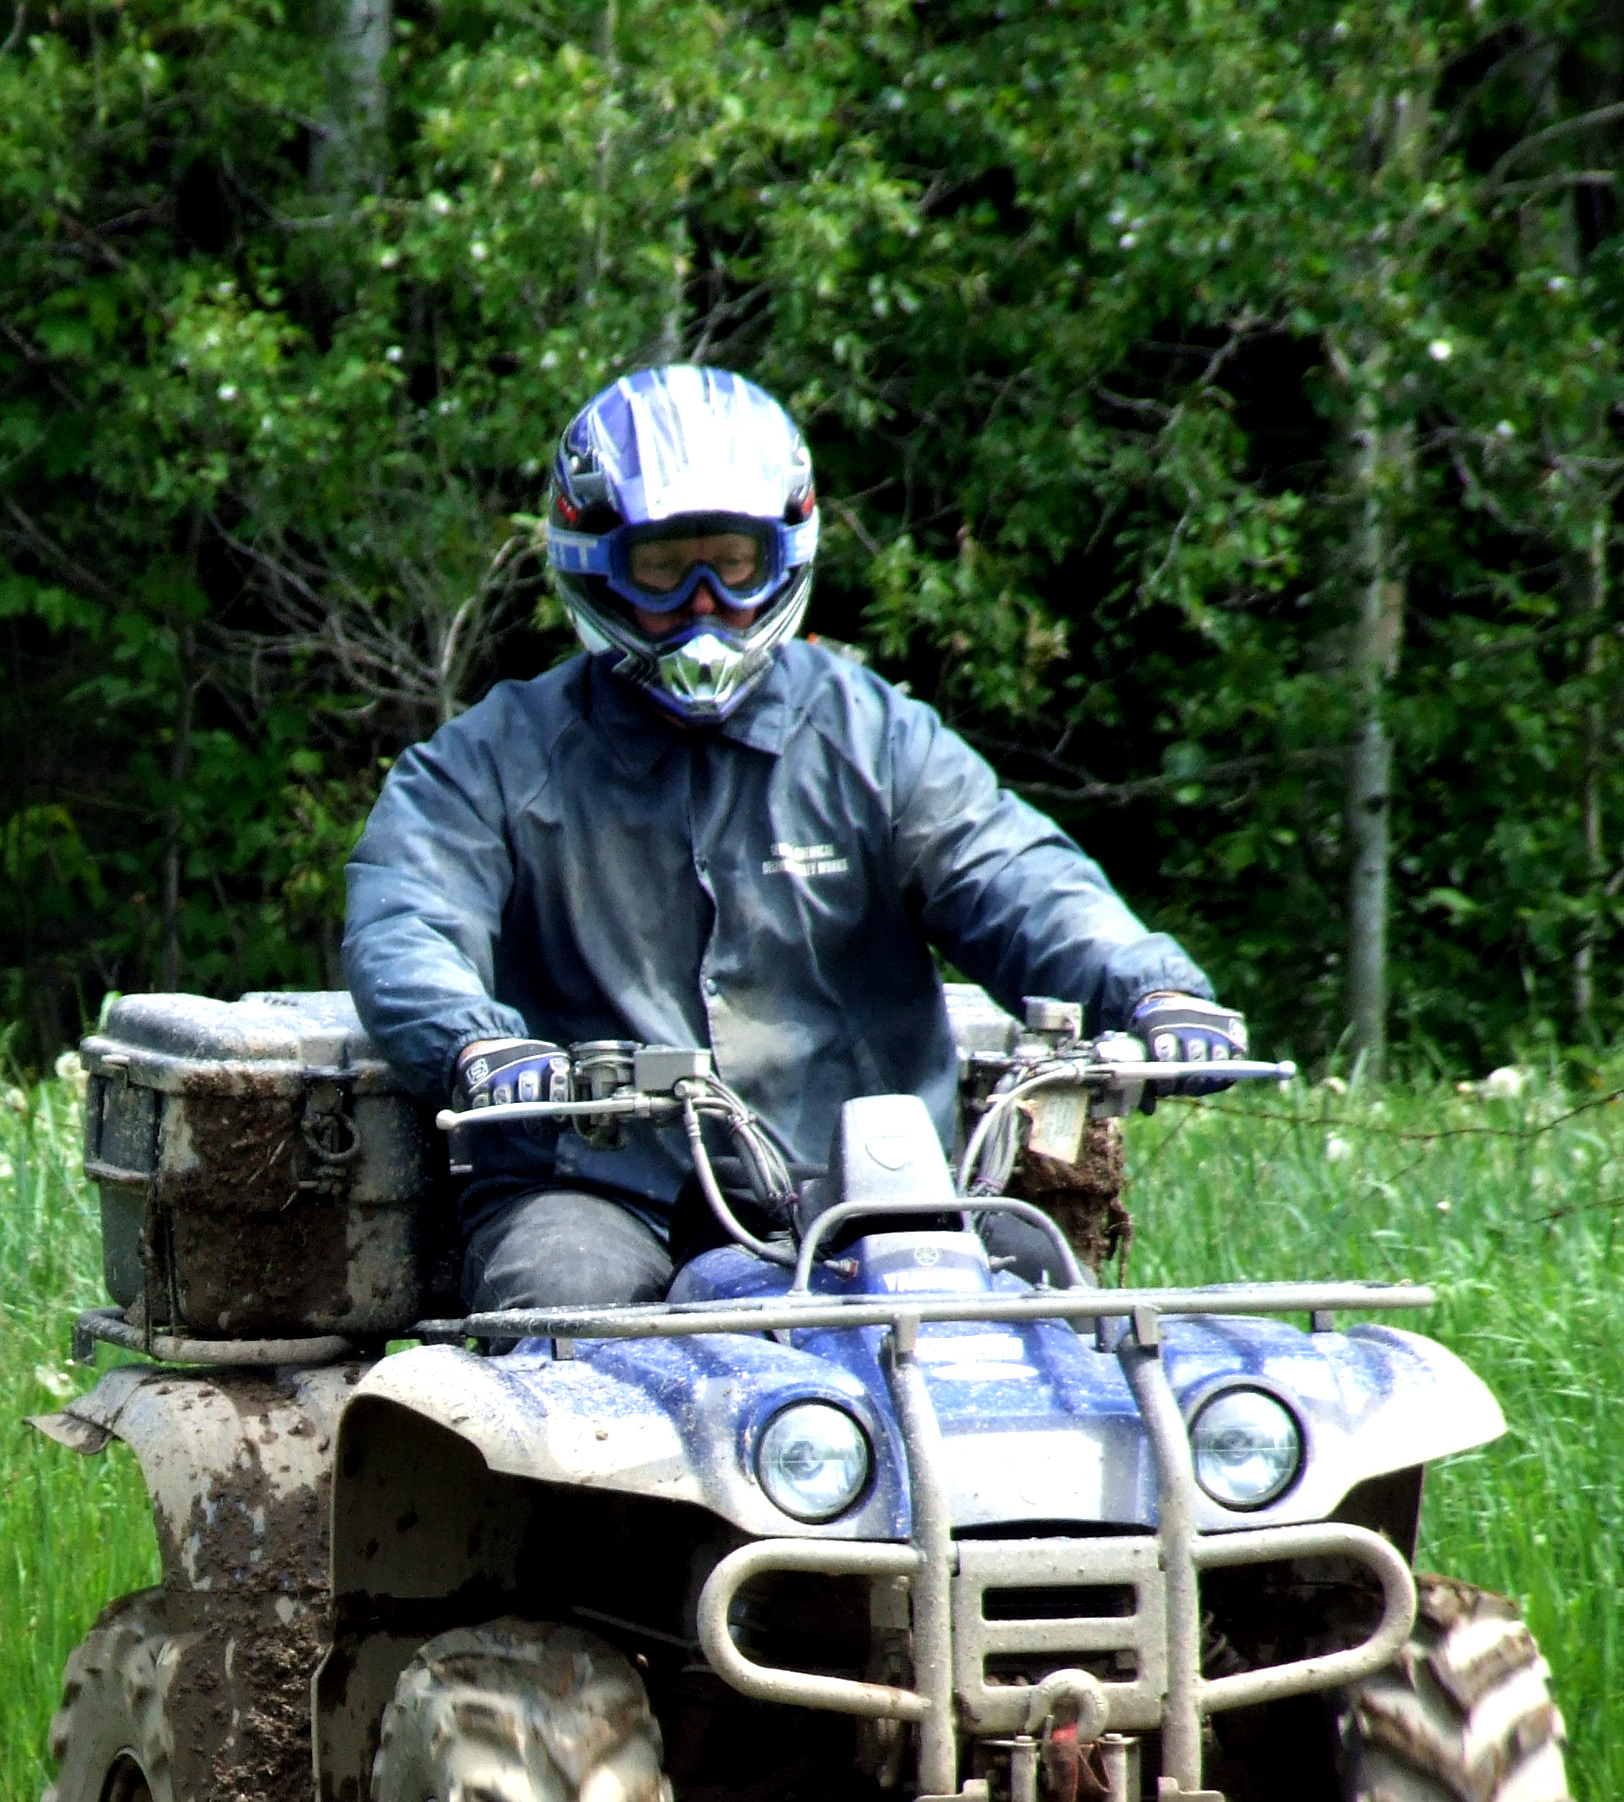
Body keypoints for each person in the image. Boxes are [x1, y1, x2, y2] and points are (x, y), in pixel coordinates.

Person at [342, 364, 1247, 1312]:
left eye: (730, 564)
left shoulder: (877, 738)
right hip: (597, 1189)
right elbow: (407, 921)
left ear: (782, 556)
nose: (703, 602)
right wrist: (479, 1047)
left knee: (1048, 1324)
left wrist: (1156, 993)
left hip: (868, 1182)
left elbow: (1013, 874)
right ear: (595, 561)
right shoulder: (488, 760)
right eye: (664, 566)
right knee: (568, 1310)